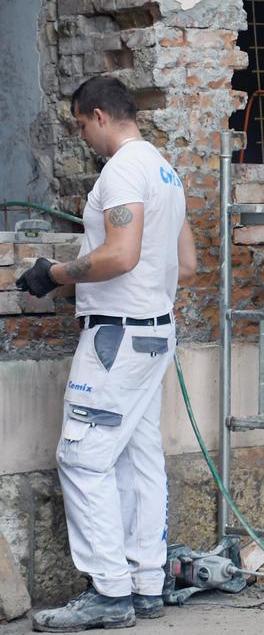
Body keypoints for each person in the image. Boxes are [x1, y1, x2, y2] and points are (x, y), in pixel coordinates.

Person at [18, 76, 196, 632]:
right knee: (136, 458)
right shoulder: (165, 171)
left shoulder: (122, 170)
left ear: (98, 115)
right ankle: (145, 584)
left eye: (78, 125)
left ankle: (108, 592)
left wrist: (55, 273)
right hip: (153, 332)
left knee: (83, 457)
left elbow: (121, 254)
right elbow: (186, 265)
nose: (81, 137)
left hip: (117, 339)